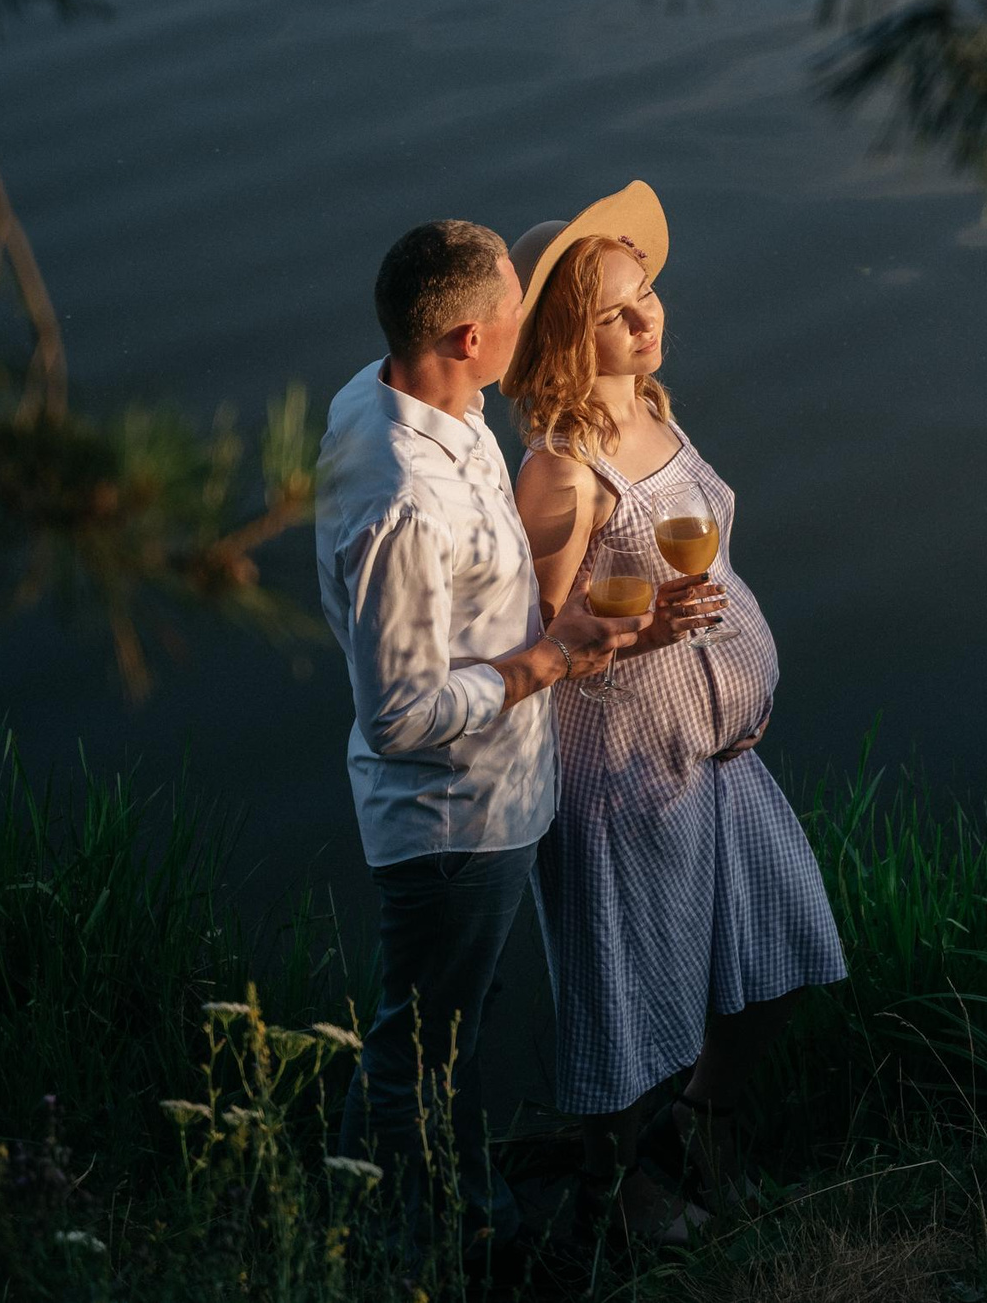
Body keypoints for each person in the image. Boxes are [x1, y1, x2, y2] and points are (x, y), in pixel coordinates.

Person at [315, 219, 679, 1258]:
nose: (536, 320)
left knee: (431, 1023)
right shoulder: (399, 498)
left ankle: (349, 1206)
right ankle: (459, 1243)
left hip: (502, 790)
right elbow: (400, 713)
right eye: (519, 309)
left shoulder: (430, 397)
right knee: (427, 1049)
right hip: (451, 819)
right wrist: (554, 656)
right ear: (471, 336)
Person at [501, 182, 844, 1243]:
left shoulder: (649, 403)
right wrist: (646, 634)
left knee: (787, 946)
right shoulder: (562, 470)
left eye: (646, 293)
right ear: (570, 334)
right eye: (617, 312)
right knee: (628, 1002)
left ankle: (694, 1125)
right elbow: (539, 645)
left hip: (717, 752)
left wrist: (721, 677)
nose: (648, 318)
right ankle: (622, 1194)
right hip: (622, 768)